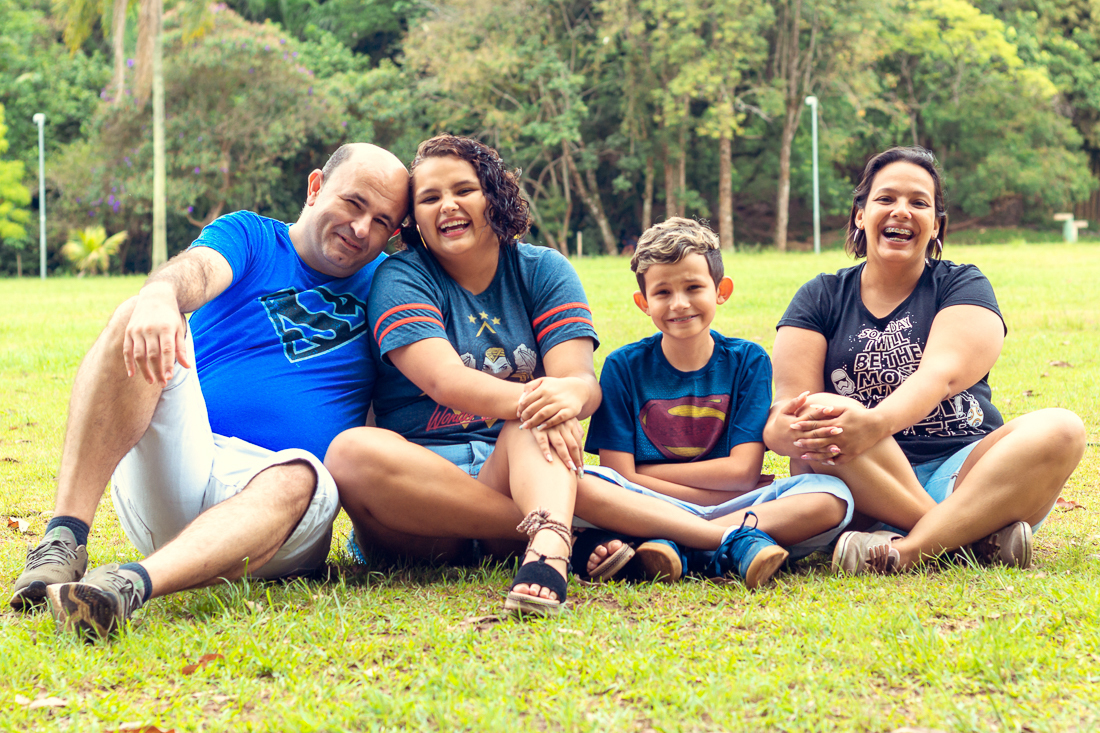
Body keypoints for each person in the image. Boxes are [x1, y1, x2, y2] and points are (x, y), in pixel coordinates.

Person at [9, 143, 409, 638]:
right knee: (139, 315)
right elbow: (200, 268)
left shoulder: (389, 285)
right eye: (354, 203)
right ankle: (63, 541)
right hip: (184, 469)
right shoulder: (253, 237)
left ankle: (128, 586)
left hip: (282, 514)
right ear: (315, 187)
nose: (362, 229)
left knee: (306, 475)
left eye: (383, 221)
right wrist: (159, 293)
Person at [764, 146, 1086, 574]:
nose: (901, 211)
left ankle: (908, 549)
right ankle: (967, 538)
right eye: (886, 199)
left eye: (919, 202)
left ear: (937, 224)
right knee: (825, 418)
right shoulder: (819, 297)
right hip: (865, 479)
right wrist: (809, 428)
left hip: (967, 477)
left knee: (1062, 429)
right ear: (860, 214)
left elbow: (941, 375)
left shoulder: (962, 284)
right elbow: (785, 413)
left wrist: (873, 423)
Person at [325, 135, 600, 617]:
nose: (447, 206)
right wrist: (544, 399)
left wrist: (568, 396)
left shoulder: (543, 270)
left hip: (513, 470)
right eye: (429, 198)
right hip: (423, 499)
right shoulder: (402, 277)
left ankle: (548, 551)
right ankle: (565, 530)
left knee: (532, 415)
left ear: (494, 194)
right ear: (414, 220)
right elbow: (445, 382)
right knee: (351, 452)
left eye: (463, 190)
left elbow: (579, 380)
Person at [570, 217, 854, 588]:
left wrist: (648, 476)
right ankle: (732, 544)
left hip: (702, 507)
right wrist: (722, 488)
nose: (680, 304)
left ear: (721, 290)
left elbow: (742, 473)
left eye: (693, 287)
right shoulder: (622, 366)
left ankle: (672, 545)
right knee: (578, 483)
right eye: (663, 293)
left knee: (831, 495)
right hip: (652, 502)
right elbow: (619, 474)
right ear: (643, 302)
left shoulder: (747, 360)